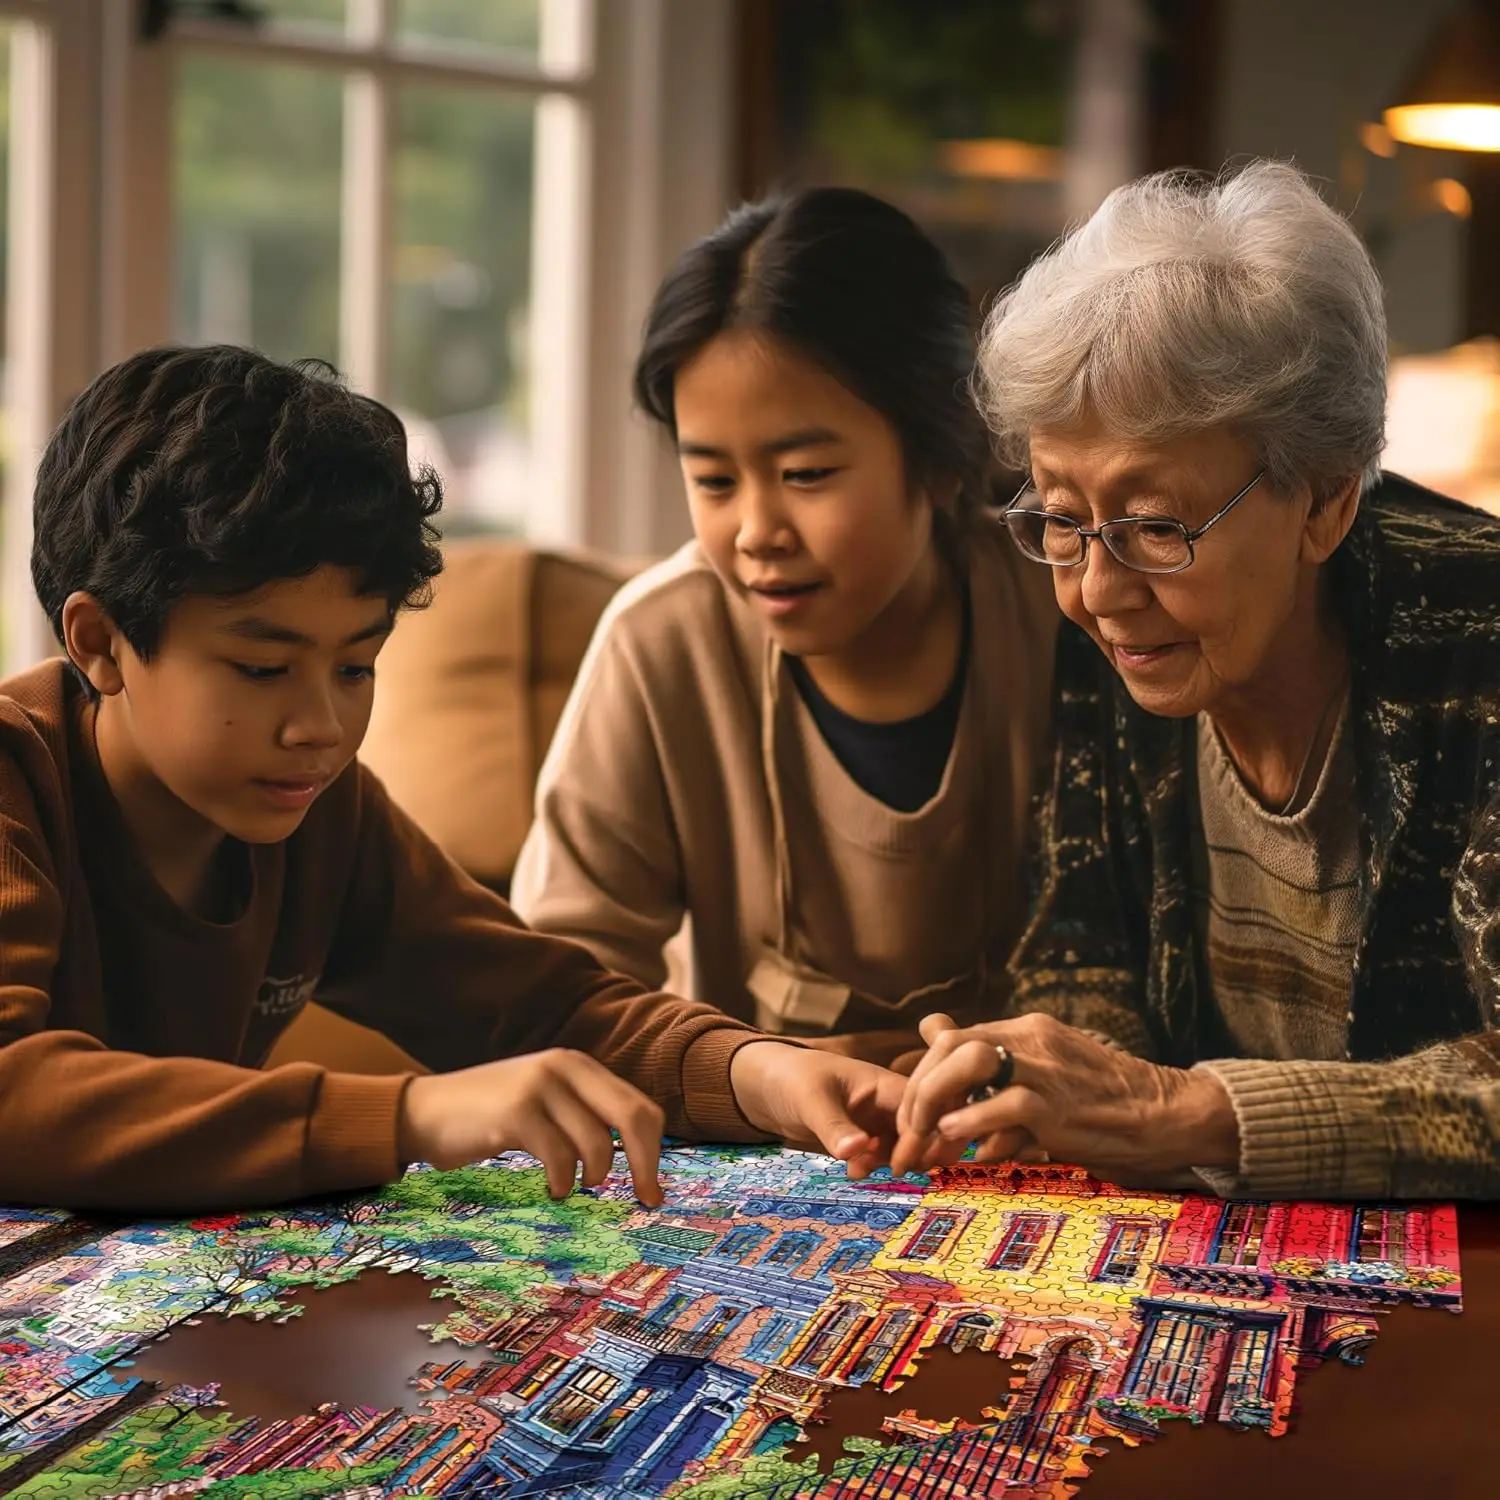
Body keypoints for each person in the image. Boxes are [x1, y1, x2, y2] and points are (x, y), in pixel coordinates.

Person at [0, 345, 905, 1215]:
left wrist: (764, 1074)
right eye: (262, 670)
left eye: (356, 667)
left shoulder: (317, 814)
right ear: (100, 643)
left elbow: (545, 1007)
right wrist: (411, 1116)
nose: (321, 728)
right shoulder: (14, 777)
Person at [893, 160, 1500, 1200]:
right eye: (1061, 516)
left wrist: (1185, 1112)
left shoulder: (1476, 640)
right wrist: (1037, 1077)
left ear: (1322, 502)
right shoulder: (1129, 626)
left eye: (1155, 525)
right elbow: (1077, 955)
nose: (1095, 588)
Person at [511, 188, 1058, 1068]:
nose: (757, 531)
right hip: (756, 1159)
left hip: (1038, 1146)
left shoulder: (1062, 610)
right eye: (715, 482)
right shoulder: (661, 647)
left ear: (940, 460)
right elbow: (565, 990)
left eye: (805, 473)